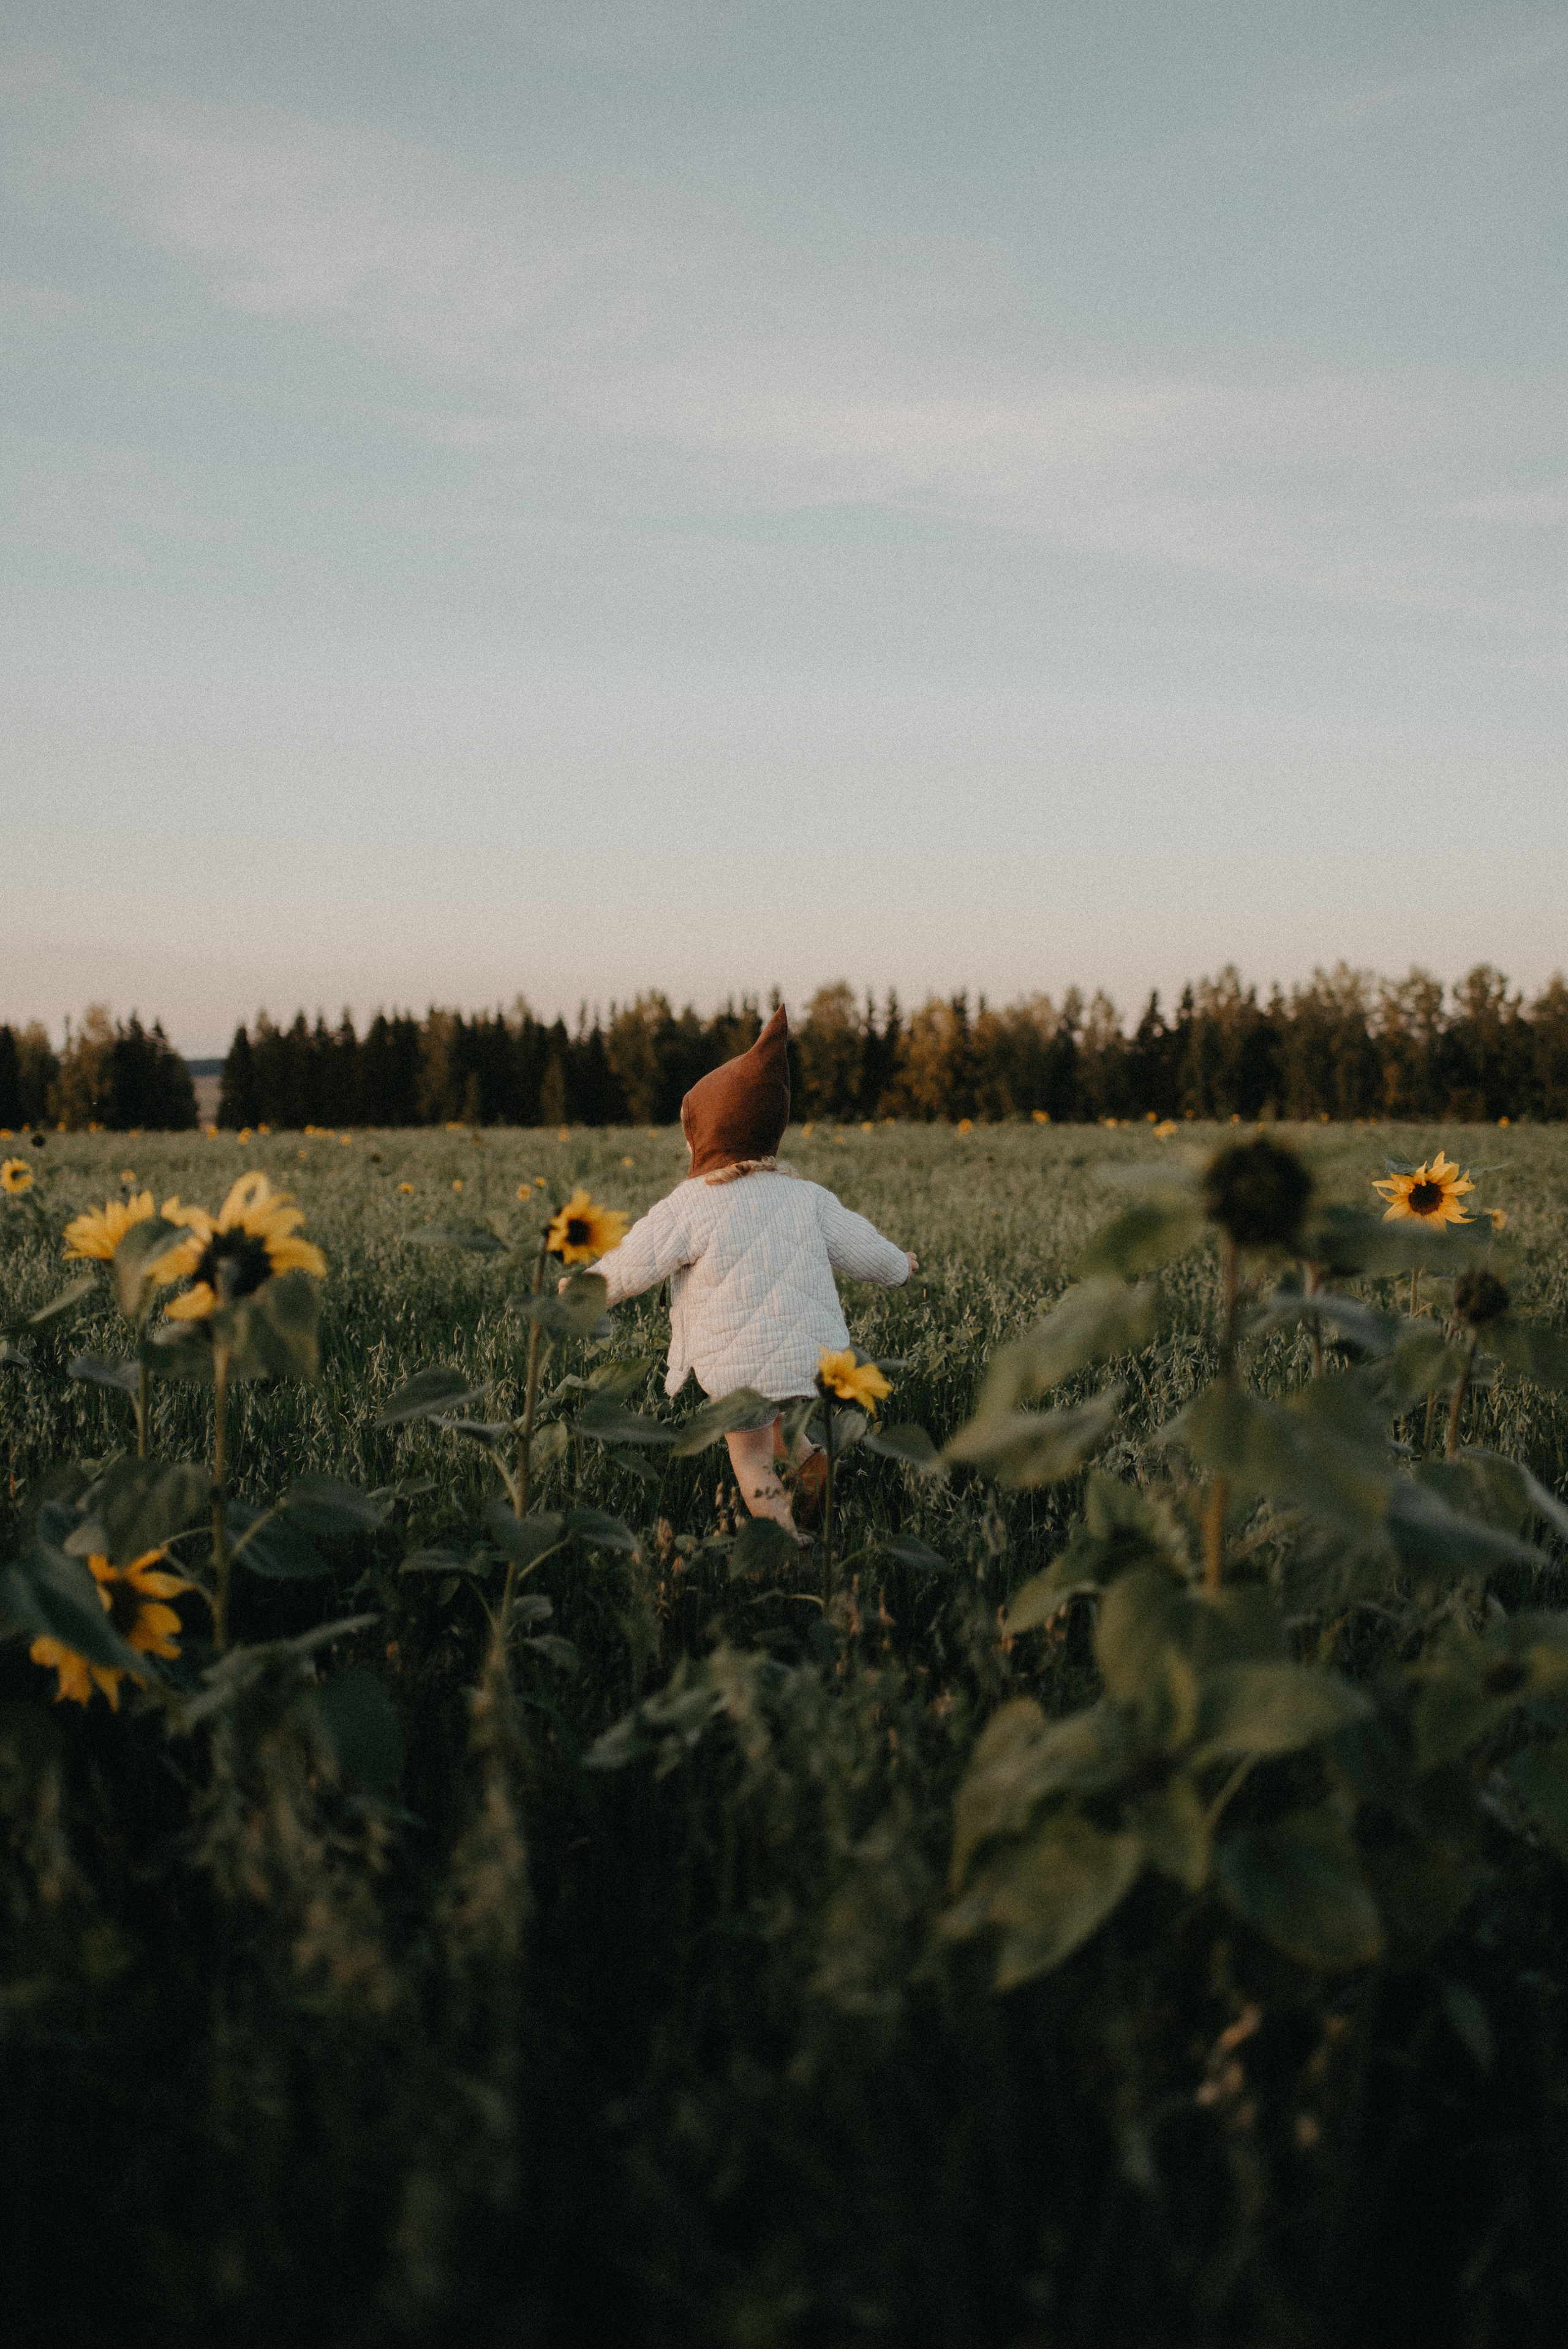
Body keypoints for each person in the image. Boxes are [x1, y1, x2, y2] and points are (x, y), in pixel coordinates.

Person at [579, 1008, 918, 1535]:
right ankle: (813, 1466)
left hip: (737, 1370)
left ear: (707, 1135)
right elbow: (864, 1248)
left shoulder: (691, 1204)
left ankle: (783, 1544)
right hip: (809, 1360)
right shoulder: (807, 1196)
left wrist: (581, 1293)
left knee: (753, 1458)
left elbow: (633, 1262)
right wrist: (900, 1266)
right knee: (782, 1424)